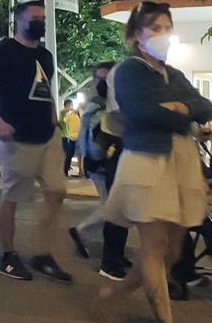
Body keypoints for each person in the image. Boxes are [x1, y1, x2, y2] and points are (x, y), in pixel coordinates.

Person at [98, 1, 212, 323]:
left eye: (167, 28)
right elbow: (141, 112)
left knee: (172, 251)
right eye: (155, 28)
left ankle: (116, 292)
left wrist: (181, 108)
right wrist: (178, 111)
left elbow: (206, 106)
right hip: (147, 161)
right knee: (154, 246)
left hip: (181, 160)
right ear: (137, 34)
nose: (164, 34)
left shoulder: (173, 73)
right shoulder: (129, 70)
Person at [0, 1, 72, 283]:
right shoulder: (4, 50)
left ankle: (44, 254)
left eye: (43, 18)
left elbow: (45, 86)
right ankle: (9, 255)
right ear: (19, 20)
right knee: (13, 196)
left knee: (57, 191)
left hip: (47, 135)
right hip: (15, 136)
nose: (40, 22)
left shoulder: (45, 55)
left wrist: (54, 114)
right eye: (35, 18)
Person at [68, 61, 133, 281]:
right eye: (101, 79)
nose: (104, 83)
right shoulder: (96, 104)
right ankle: (83, 233)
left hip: (115, 160)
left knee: (117, 208)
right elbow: (88, 136)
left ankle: (114, 252)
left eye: (109, 79)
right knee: (112, 208)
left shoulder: (116, 102)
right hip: (101, 162)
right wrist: (88, 160)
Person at [62, 99, 81, 177]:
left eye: (72, 105)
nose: (71, 107)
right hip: (71, 137)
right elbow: (64, 120)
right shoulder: (68, 115)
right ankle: (65, 171)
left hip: (78, 137)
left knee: (74, 154)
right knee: (69, 155)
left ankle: (69, 170)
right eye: (70, 105)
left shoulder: (77, 115)